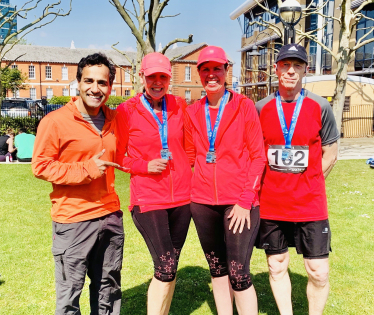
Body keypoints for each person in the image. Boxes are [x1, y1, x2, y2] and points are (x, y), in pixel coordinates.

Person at [32, 53, 124, 315]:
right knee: (70, 294)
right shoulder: (55, 121)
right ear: (78, 82)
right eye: (89, 81)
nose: (95, 89)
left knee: (108, 289)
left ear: (110, 86)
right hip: (72, 220)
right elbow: (41, 166)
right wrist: (86, 169)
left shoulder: (115, 119)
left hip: (109, 217)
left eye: (102, 83)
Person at [255, 43, 339, 315]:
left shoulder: (320, 106)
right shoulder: (261, 108)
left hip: (310, 203)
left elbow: (331, 152)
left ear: (305, 70)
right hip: (271, 203)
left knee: (318, 271)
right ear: (277, 68)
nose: (290, 71)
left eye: (297, 66)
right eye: (285, 65)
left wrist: (312, 182)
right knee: (276, 265)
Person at [185, 46, 266, 315]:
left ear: (226, 71)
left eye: (216, 69)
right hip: (202, 203)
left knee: (239, 272)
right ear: (199, 74)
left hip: (239, 202)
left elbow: (258, 157)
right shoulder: (192, 111)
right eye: (205, 69)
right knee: (218, 269)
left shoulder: (244, 107)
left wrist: (245, 200)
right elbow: (187, 155)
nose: (211, 75)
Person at [116, 52, 192, 315]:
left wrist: (186, 169)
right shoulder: (127, 110)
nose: (157, 82)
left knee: (170, 268)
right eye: (152, 77)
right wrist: (142, 165)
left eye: (163, 76)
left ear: (169, 78)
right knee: (166, 266)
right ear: (142, 77)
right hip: (149, 199)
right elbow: (116, 157)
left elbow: (190, 147)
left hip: (183, 199)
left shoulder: (180, 105)